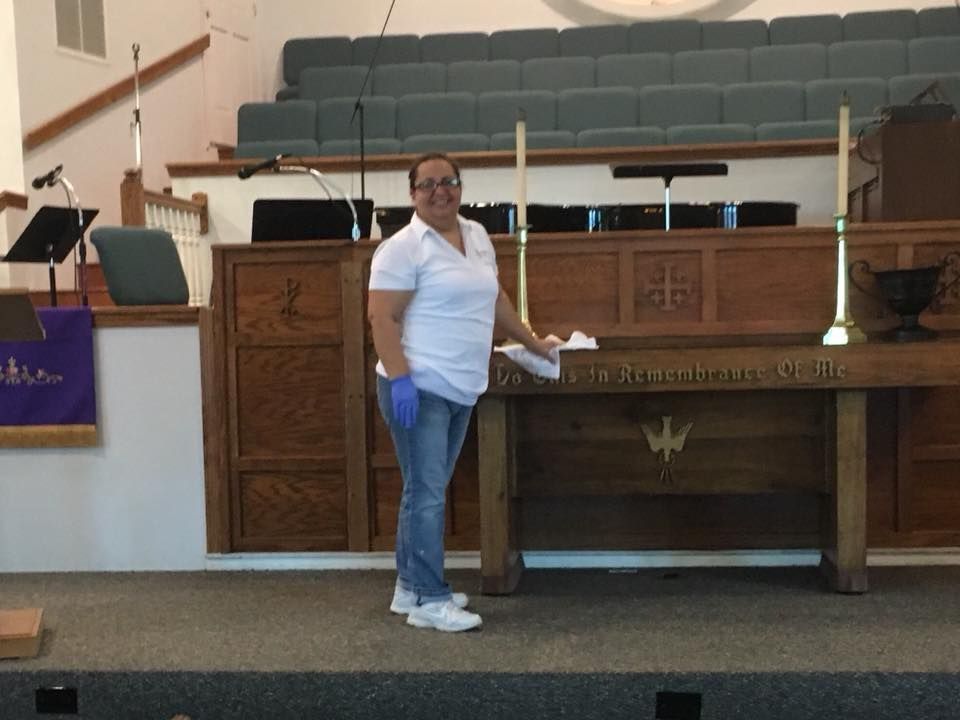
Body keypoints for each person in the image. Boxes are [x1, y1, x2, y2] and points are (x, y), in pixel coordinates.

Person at [368, 152, 558, 632]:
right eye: (428, 184)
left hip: (461, 387)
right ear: (412, 194)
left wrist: (534, 343)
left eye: (448, 182)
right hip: (419, 386)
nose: (440, 191)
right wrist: (401, 379)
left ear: (460, 187)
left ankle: (409, 587)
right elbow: (382, 318)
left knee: (423, 490)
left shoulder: (475, 237)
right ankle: (431, 600)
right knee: (428, 494)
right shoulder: (402, 248)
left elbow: (495, 299)